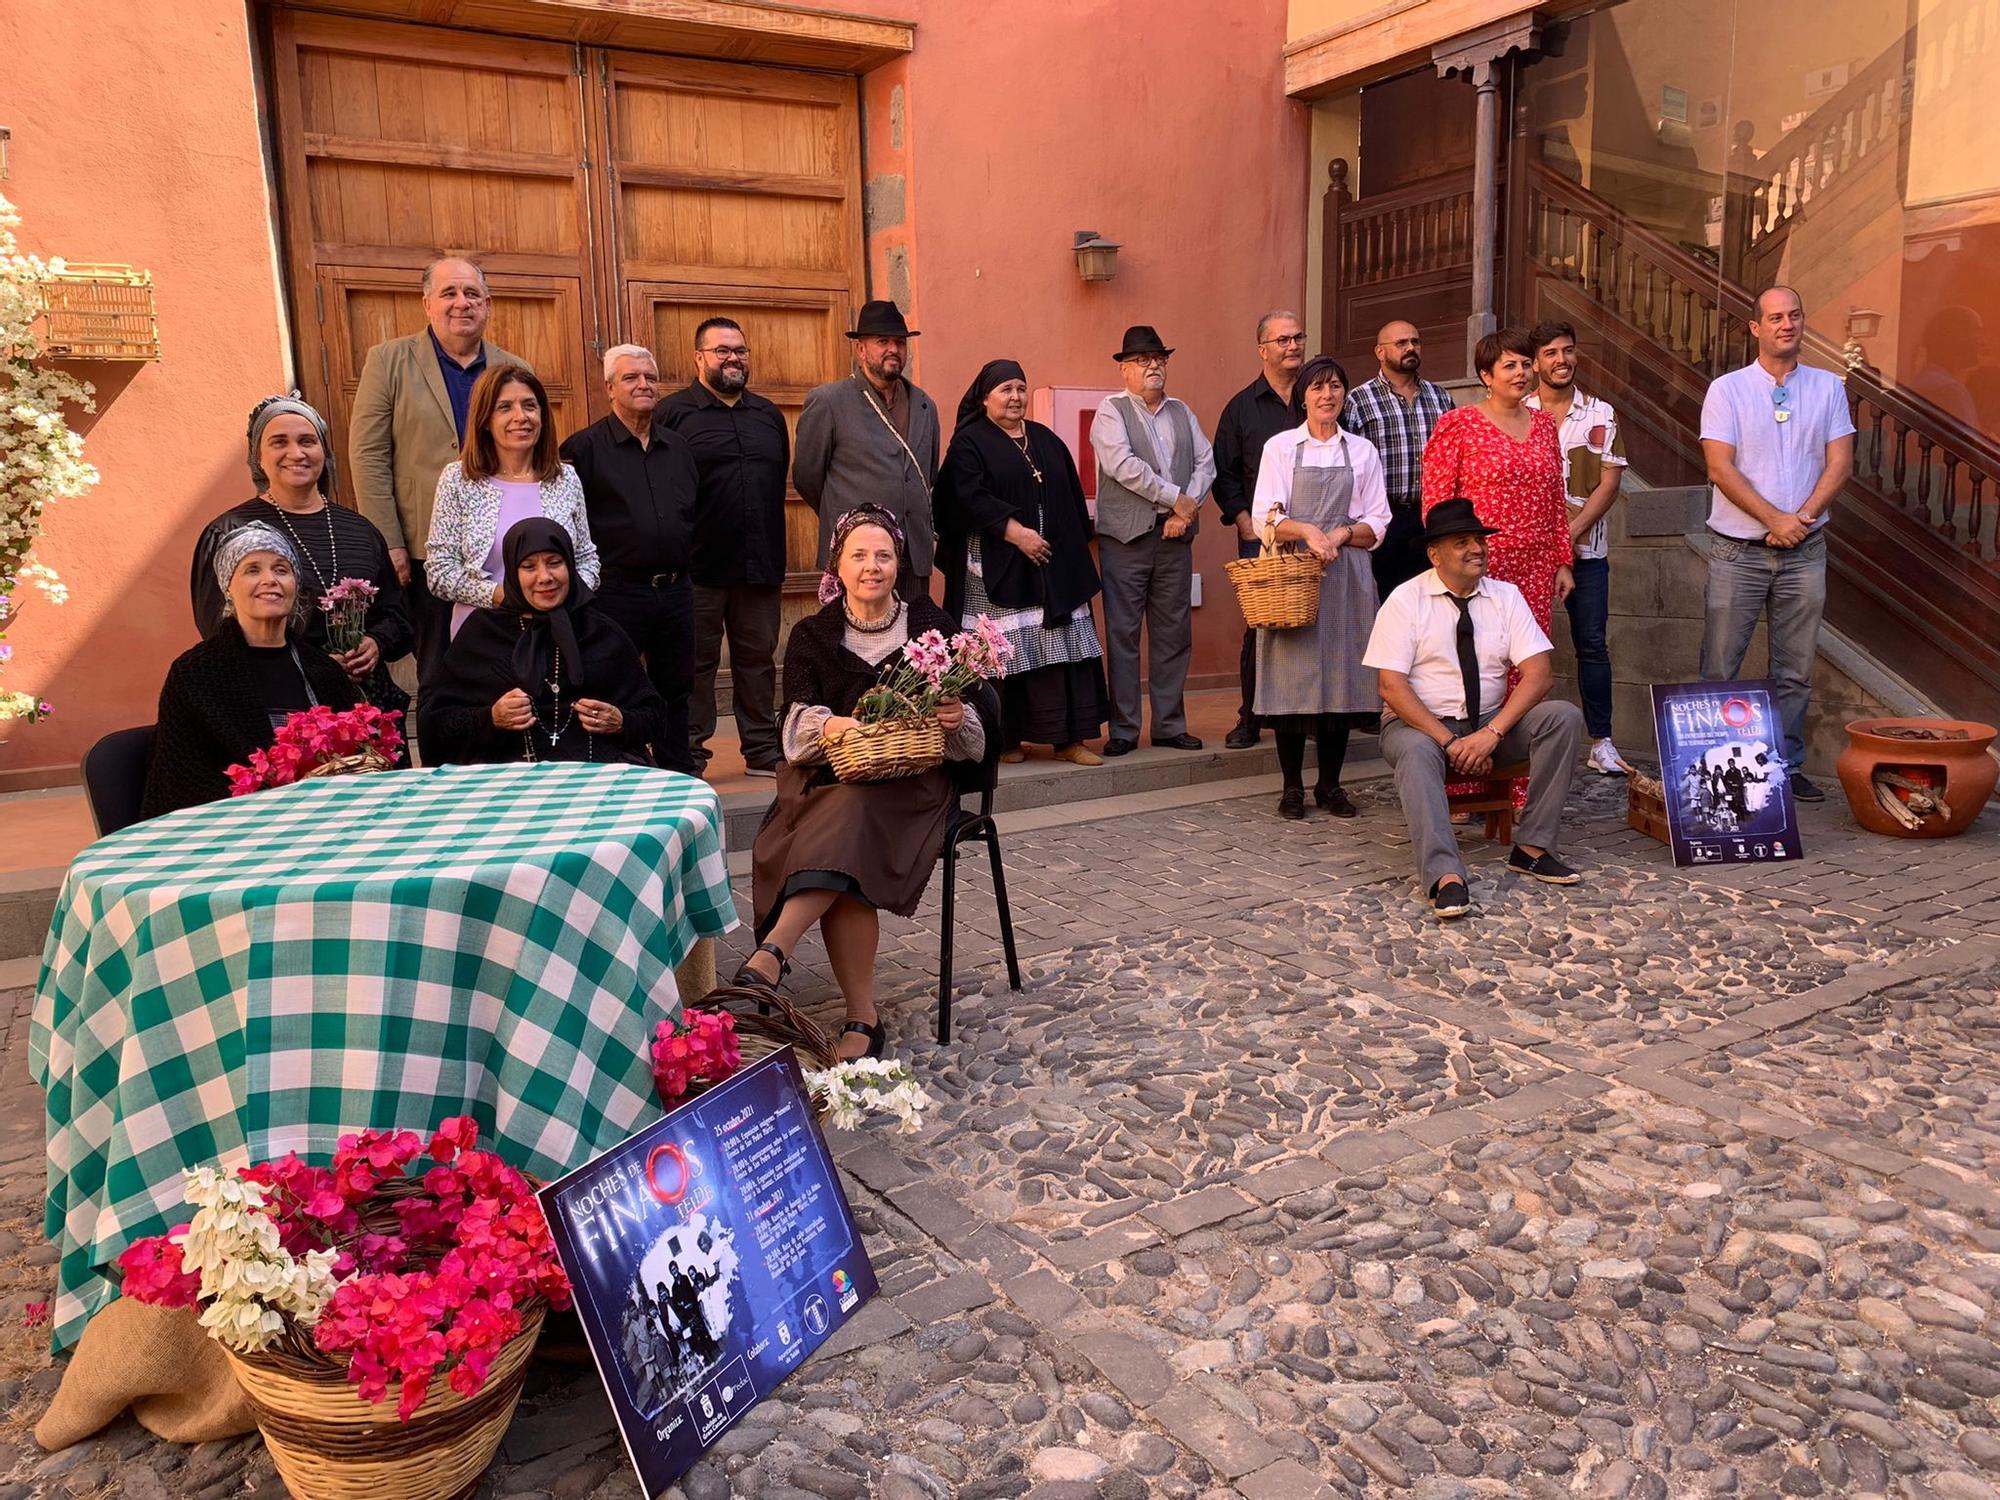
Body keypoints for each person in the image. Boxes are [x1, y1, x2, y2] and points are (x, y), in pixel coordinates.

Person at [740, 507, 988, 1061]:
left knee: (851, 819)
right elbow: (794, 729)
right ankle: (863, 1018)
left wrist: (953, 717)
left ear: (899, 563)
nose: (872, 566)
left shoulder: (933, 627)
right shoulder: (812, 633)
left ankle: (776, 950)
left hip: (911, 787)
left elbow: (974, 737)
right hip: (831, 782)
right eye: (859, 555)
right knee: (846, 827)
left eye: (883, 555)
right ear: (839, 565)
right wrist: (829, 724)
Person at [1363, 500, 1586, 920]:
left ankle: (1533, 848)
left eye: (1480, 540)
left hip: (1489, 723)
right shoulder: (1405, 600)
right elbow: (1390, 686)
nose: (1477, 549)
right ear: (1435, 554)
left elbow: (1539, 673)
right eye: (1462, 542)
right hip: (1420, 726)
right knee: (1415, 750)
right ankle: (1444, 874)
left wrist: (1492, 733)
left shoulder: (1506, 597)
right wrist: (1449, 740)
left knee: (1563, 716)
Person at [1699, 286, 1855, 801]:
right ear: (1756, 328)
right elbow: (1719, 467)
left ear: (1802, 322)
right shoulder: (1727, 390)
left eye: (1794, 315)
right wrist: (1774, 518)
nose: (1785, 324)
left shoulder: (1829, 387)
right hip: (1737, 550)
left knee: (1794, 670)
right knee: (1721, 667)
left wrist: (1801, 519)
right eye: (1774, 318)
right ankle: (1717, 772)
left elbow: (1839, 463)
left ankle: (1784, 767)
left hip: (1805, 550)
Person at [349, 257, 526, 682]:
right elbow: (368, 454)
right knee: (439, 672)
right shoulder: (389, 361)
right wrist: (388, 541)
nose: (461, 303)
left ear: (487, 304)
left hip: (501, 554)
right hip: (425, 552)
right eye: (449, 293)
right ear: (427, 303)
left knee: (507, 670)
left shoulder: (513, 369)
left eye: (471, 294)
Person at [1423, 328, 1575, 807]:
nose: (1522, 372)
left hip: (1532, 568)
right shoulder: (1459, 424)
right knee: (1476, 668)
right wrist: (1451, 560)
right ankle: (1467, 782)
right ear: (1486, 375)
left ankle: (1520, 782)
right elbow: (1438, 502)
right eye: (1509, 365)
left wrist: (1561, 560)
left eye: (1525, 364)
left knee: (1525, 669)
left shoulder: (1545, 425)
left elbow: (1556, 500)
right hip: (1478, 566)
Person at [192, 395, 412, 721]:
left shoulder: (361, 530)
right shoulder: (230, 531)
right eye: (279, 442)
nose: (296, 453)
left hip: (367, 705)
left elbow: (398, 616)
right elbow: (218, 632)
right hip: (282, 706)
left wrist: (376, 643)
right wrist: (307, 663)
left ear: (324, 452)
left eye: (307, 441)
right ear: (258, 457)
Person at [937, 359, 1108, 764]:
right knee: (1004, 654)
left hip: (1051, 565)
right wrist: (1015, 533)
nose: (1015, 397)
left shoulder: (1046, 439)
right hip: (1000, 563)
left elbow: (1069, 498)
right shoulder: (970, 443)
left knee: (1061, 649)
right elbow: (962, 497)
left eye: (1020, 388)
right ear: (984, 398)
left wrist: (1064, 551)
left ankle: (1070, 740)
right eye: (1005, 390)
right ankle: (1009, 739)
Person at [1249, 356, 1391, 820]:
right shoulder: (1281, 448)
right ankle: (1292, 787)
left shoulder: (1364, 451)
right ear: (1302, 396)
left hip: (1348, 575)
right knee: (1292, 678)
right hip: (1294, 576)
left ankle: (1330, 785)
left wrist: (1342, 535)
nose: (1327, 395)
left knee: (1342, 679)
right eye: (1317, 388)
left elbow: (1378, 521)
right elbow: (1263, 517)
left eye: (1335, 386)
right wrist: (1308, 531)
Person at [142, 524, 360, 819]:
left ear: (295, 585)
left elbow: (355, 757)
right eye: (252, 570)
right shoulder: (195, 674)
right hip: (235, 825)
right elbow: (184, 782)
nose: (270, 580)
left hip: (325, 816)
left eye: (281, 570)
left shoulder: (323, 671)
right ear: (228, 587)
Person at [418, 517, 665, 766]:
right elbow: (436, 725)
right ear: (513, 573)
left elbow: (653, 715)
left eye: (554, 563)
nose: (545, 577)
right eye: (529, 566)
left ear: (570, 565)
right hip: (506, 780)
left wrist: (621, 721)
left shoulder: (601, 631)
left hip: (598, 774)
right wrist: (490, 718)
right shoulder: (482, 634)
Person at [660, 317, 791, 778]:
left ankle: (760, 749)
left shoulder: (769, 416)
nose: (733, 358)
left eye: (740, 349)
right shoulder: (673, 415)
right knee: (694, 665)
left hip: (760, 565)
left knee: (758, 660)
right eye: (721, 350)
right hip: (698, 566)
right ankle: (690, 755)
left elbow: (780, 482)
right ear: (699, 357)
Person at [560, 345, 700, 773]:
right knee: (614, 682)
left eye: (650, 377)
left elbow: (693, 509)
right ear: (609, 388)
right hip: (616, 591)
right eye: (631, 378)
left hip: (675, 589)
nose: (644, 385)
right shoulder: (582, 449)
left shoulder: (677, 446)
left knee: (676, 686)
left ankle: (679, 769)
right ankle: (624, 765)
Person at [1090, 325, 1216, 756]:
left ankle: (1169, 724)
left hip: (1175, 539)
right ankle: (1124, 729)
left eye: (1159, 359)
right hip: (1126, 540)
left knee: (1173, 634)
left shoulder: (1182, 411)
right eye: (1143, 360)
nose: (1154, 367)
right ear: (1124, 369)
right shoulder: (1111, 411)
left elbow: (1206, 463)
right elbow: (1123, 465)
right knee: (1123, 634)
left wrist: (1188, 507)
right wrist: (1175, 498)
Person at [425, 364, 600, 651]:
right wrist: (506, 596)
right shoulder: (458, 479)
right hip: (483, 634)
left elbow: (586, 559)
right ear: (484, 420)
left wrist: (561, 597)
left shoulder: (565, 478)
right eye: (504, 407)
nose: (521, 417)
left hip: (556, 631)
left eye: (530, 406)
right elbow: (440, 573)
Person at [1525, 320, 1629, 777]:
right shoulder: (1519, 413)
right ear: (1535, 363)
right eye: (1550, 353)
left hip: (1588, 556)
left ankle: (1601, 742)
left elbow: (1610, 482)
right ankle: (1522, 739)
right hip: (1528, 554)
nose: (1561, 360)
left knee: (1591, 646)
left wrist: (1569, 534)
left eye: (1567, 351)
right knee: (1520, 648)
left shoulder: (1600, 413)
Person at [793, 300, 939, 601]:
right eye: (882, 341)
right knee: (856, 644)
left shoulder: (925, 405)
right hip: (858, 558)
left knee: (917, 644)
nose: (893, 350)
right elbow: (808, 478)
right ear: (861, 349)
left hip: (912, 557)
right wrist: (850, 517)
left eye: (900, 342)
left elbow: (928, 474)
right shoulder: (829, 402)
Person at [1213, 310, 1308, 749]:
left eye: (1297, 338)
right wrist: (1241, 519)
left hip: (1313, 533)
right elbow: (1224, 472)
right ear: (1263, 350)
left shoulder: (1319, 397)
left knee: (1312, 627)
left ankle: (1308, 715)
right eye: (1283, 340)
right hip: (1262, 537)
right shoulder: (1241, 407)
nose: (1293, 346)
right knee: (1261, 625)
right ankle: (1250, 717)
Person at [1341, 320, 1455, 596]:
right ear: (1380, 351)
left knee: (1433, 600)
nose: (1410, 348)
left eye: (1415, 342)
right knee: (1386, 602)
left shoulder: (1440, 398)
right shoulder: (1358, 400)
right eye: (1401, 343)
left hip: (1432, 518)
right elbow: (1347, 462)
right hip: (1385, 519)